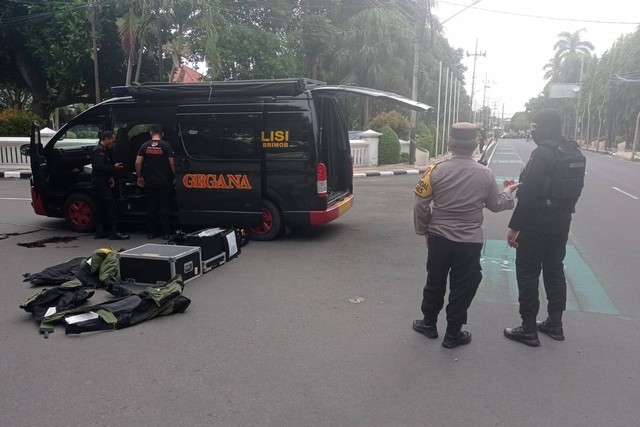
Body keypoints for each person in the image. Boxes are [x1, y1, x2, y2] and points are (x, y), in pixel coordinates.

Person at [412, 122, 519, 349]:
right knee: (463, 286)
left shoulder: (435, 170)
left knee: (435, 281)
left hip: (438, 237)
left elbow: (421, 203)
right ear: (475, 145)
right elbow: (496, 204)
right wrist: (508, 193)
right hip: (469, 242)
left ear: (450, 144)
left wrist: (424, 230)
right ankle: (453, 334)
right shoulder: (485, 174)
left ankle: (429, 324)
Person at [503, 109, 586, 347]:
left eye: (535, 126)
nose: (532, 130)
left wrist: (514, 227)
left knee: (528, 271)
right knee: (554, 269)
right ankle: (555, 323)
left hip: (537, 221)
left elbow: (529, 194)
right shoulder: (571, 149)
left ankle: (528, 328)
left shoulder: (543, 154)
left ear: (545, 127)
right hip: (562, 220)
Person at [135, 124, 176, 240]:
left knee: (151, 206)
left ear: (150, 133)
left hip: (150, 181)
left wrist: (139, 176)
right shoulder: (166, 146)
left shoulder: (144, 146)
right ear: (162, 134)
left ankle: (152, 232)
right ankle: (166, 233)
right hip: (165, 181)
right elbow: (172, 163)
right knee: (165, 206)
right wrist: (175, 175)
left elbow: (138, 163)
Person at [91, 130, 129, 240]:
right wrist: (114, 167)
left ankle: (100, 231)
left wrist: (110, 176)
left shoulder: (105, 150)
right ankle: (113, 231)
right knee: (111, 204)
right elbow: (98, 167)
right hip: (99, 182)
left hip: (103, 180)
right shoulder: (99, 151)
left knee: (101, 206)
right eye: (113, 141)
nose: (114, 143)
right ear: (106, 139)